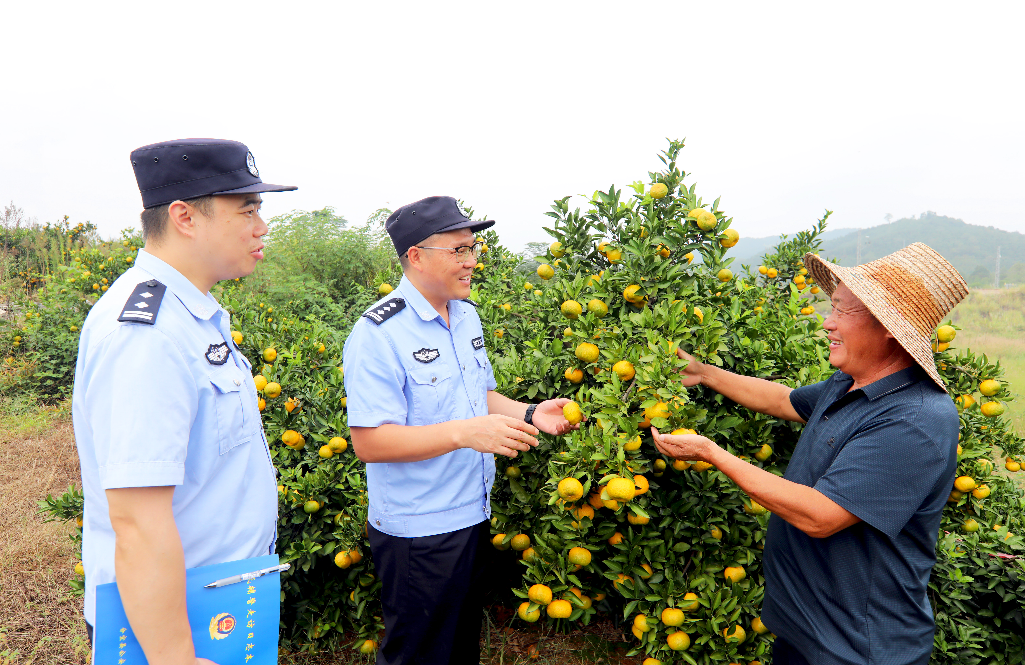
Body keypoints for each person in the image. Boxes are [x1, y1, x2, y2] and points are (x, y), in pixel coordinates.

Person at [650, 243, 968, 665]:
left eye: (843, 311)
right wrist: (703, 372)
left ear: (889, 327)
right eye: (832, 307)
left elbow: (821, 516)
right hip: (807, 632)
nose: (827, 322)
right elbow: (782, 399)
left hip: (857, 648)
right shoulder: (850, 382)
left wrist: (713, 453)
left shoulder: (916, 420)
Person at [72, 139, 296, 664]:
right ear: (184, 217)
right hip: (172, 622)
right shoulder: (146, 335)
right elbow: (137, 520)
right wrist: (175, 655)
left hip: (219, 598)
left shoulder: (192, 314)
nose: (262, 227)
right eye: (248, 210)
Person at [343, 196, 579, 665]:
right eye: (459, 250)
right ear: (416, 256)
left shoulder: (465, 314)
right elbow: (369, 441)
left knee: (459, 650)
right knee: (420, 655)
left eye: (473, 248)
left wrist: (531, 412)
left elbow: (477, 397)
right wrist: (464, 434)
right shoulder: (378, 333)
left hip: (472, 512)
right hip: (420, 529)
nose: (472, 261)